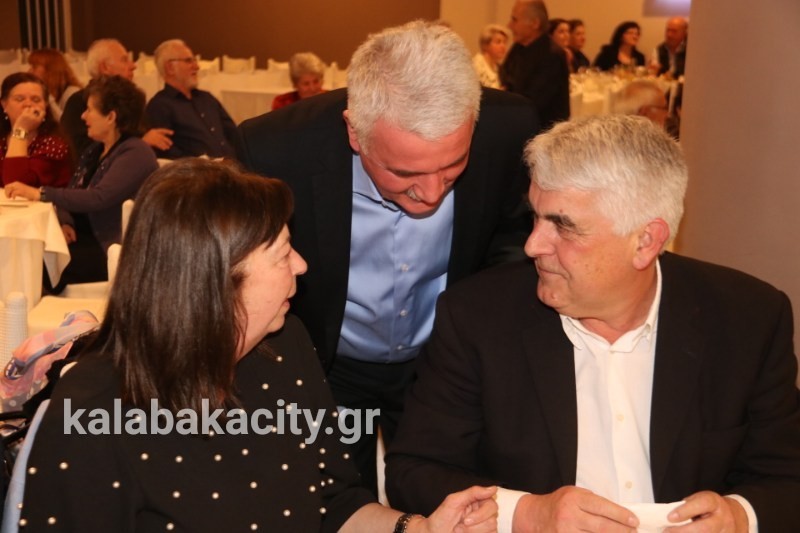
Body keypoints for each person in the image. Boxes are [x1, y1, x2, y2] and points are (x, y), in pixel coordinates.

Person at [16, 158, 499, 532]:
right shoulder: (93, 412)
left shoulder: (285, 347)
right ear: (216, 282)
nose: (302, 266)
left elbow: (335, 503)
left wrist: (419, 528)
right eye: (283, 253)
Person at [386, 114, 800, 532]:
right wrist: (528, 513)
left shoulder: (746, 320)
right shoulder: (478, 317)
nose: (532, 245)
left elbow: (786, 477)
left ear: (646, 241)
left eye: (563, 226)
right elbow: (414, 470)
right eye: (536, 217)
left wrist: (739, 516)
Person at [239, 20, 539, 496]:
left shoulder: (510, 129)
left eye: (452, 167)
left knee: (446, 500)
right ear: (355, 133)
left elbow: (510, 238)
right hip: (329, 364)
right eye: (404, 172)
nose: (432, 193)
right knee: (338, 501)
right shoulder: (275, 151)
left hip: (443, 364)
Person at [5, 75, 158, 290]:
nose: (83, 116)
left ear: (111, 117)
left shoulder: (136, 152)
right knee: (28, 255)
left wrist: (40, 193)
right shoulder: (95, 150)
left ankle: (28, 310)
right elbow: (72, 191)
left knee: (31, 263)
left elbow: (98, 197)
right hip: (83, 238)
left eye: (89, 110)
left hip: (109, 248)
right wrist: (66, 221)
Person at [60, 38, 173, 158]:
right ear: (105, 67)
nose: (133, 66)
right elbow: (81, 153)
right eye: (124, 60)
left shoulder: (132, 101)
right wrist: (142, 142)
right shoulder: (78, 102)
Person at [145, 39, 238, 159]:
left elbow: (234, 134)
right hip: (199, 170)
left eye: (195, 60)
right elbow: (167, 153)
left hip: (232, 165)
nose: (197, 67)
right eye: (189, 61)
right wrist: (202, 165)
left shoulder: (207, 98)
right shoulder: (159, 106)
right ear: (170, 68)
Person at [500, 0, 570, 128]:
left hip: (543, 131)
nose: (509, 26)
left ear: (535, 23)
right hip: (520, 121)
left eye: (515, 20)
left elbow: (533, 102)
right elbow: (505, 71)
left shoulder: (552, 55)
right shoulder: (519, 47)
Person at [1, 72, 71, 188]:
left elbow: (16, 185)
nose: (28, 104)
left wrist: (21, 129)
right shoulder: (2, 138)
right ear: (4, 104)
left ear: (45, 105)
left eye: (36, 100)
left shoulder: (54, 144)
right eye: (19, 99)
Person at [27, 48, 83, 120]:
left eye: (34, 67)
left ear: (49, 70)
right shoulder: (54, 91)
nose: (29, 71)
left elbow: (66, 123)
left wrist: (47, 97)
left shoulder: (72, 93)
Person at [472, 24, 510, 89]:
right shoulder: (476, 66)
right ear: (485, 45)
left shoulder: (500, 69)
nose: (503, 46)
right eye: (498, 42)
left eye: (505, 42)